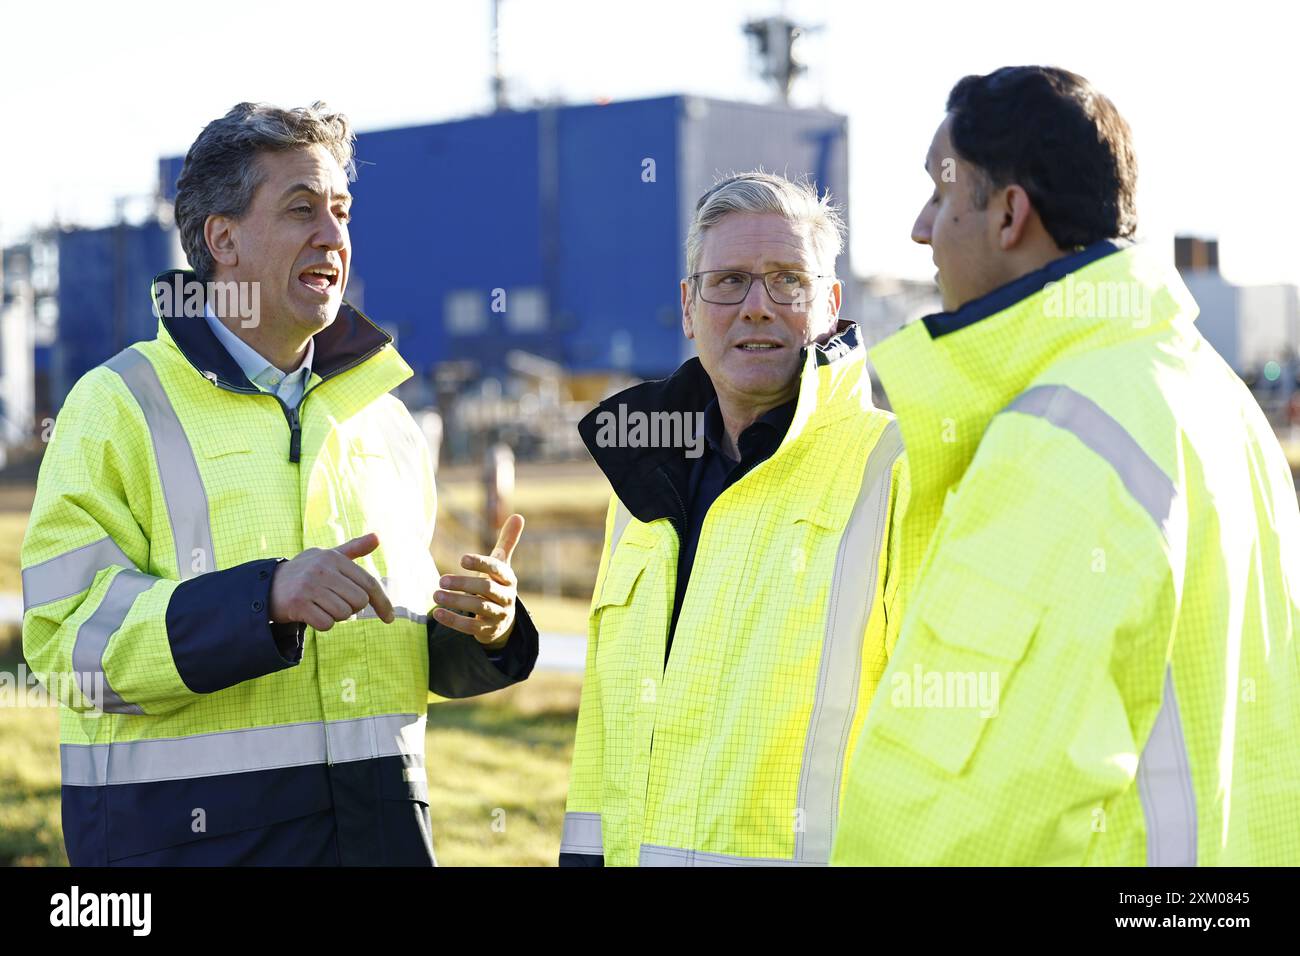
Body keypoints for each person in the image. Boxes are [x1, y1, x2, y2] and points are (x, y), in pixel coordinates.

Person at [21, 101, 538, 866]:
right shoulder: (118, 404)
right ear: (221, 239)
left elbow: (393, 655)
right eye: (302, 210)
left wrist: (480, 630)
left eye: (341, 211)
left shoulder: (383, 422)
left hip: (379, 840)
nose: (333, 235)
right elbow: (65, 644)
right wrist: (260, 602)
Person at [832, 66, 1300, 865]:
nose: (920, 227)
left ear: (1011, 213)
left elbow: (965, 814)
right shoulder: (1210, 392)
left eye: (940, 194)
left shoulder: (1059, 439)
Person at [561, 171, 909, 866]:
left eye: (787, 280)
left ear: (830, 304)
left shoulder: (897, 469)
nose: (756, 306)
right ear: (689, 308)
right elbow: (602, 736)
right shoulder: (640, 483)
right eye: (728, 282)